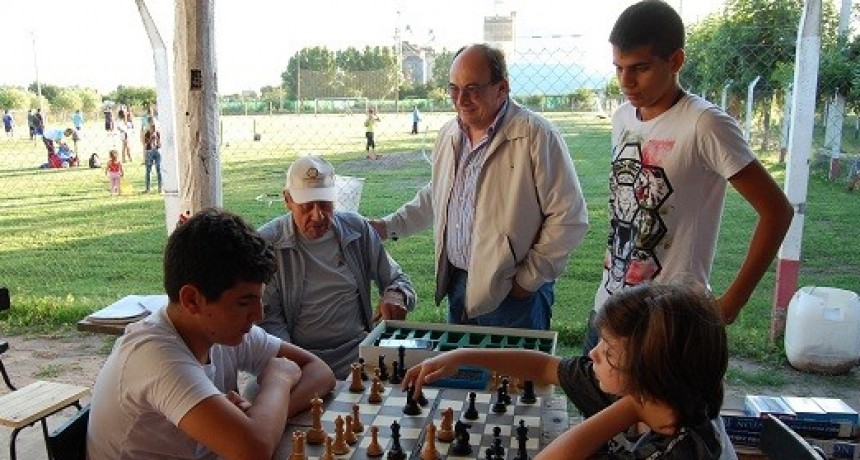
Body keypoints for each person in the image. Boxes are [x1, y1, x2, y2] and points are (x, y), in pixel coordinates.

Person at [583, 0, 793, 352]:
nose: (626, 81)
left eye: (640, 68)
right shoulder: (622, 117)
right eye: (618, 68)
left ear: (676, 61)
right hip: (609, 308)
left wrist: (731, 303)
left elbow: (777, 211)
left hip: (668, 322)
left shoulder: (705, 123)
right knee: (595, 406)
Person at [370, 43, 589, 330]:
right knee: (461, 373)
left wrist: (527, 280)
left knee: (512, 373)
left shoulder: (535, 135)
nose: (461, 99)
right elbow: (438, 193)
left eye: (473, 89)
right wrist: (387, 226)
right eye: (454, 89)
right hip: (458, 285)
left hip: (512, 293)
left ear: (502, 88)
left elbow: (569, 217)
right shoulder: (450, 134)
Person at [87, 208, 337, 459]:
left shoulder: (221, 329)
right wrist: (278, 380)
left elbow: (320, 371)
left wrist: (266, 416)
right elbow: (255, 450)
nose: (258, 315)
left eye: (258, 299)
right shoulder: (155, 356)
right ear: (192, 300)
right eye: (244, 302)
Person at [403, 281, 734, 460]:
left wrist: (627, 408)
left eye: (608, 351)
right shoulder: (652, 395)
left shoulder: (683, 450)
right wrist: (463, 355)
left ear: (650, 373)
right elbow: (545, 366)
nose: (593, 353)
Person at [258, 155, 417, 379]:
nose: (318, 215)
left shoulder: (356, 229)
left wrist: (396, 295)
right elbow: (267, 320)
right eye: (306, 206)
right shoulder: (268, 244)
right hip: (298, 356)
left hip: (359, 350)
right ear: (287, 200)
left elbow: (398, 279)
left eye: (325, 204)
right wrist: (297, 365)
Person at [142, 119, 163, 193]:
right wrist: (144, 157)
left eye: (154, 125)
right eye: (152, 125)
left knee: (159, 169)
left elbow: (160, 143)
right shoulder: (147, 133)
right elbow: (145, 144)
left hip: (157, 151)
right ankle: (148, 188)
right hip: (149, 151)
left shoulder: (158, 133)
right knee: (148, 171)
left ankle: (160, 188)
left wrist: (158, 144)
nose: (153, 127)